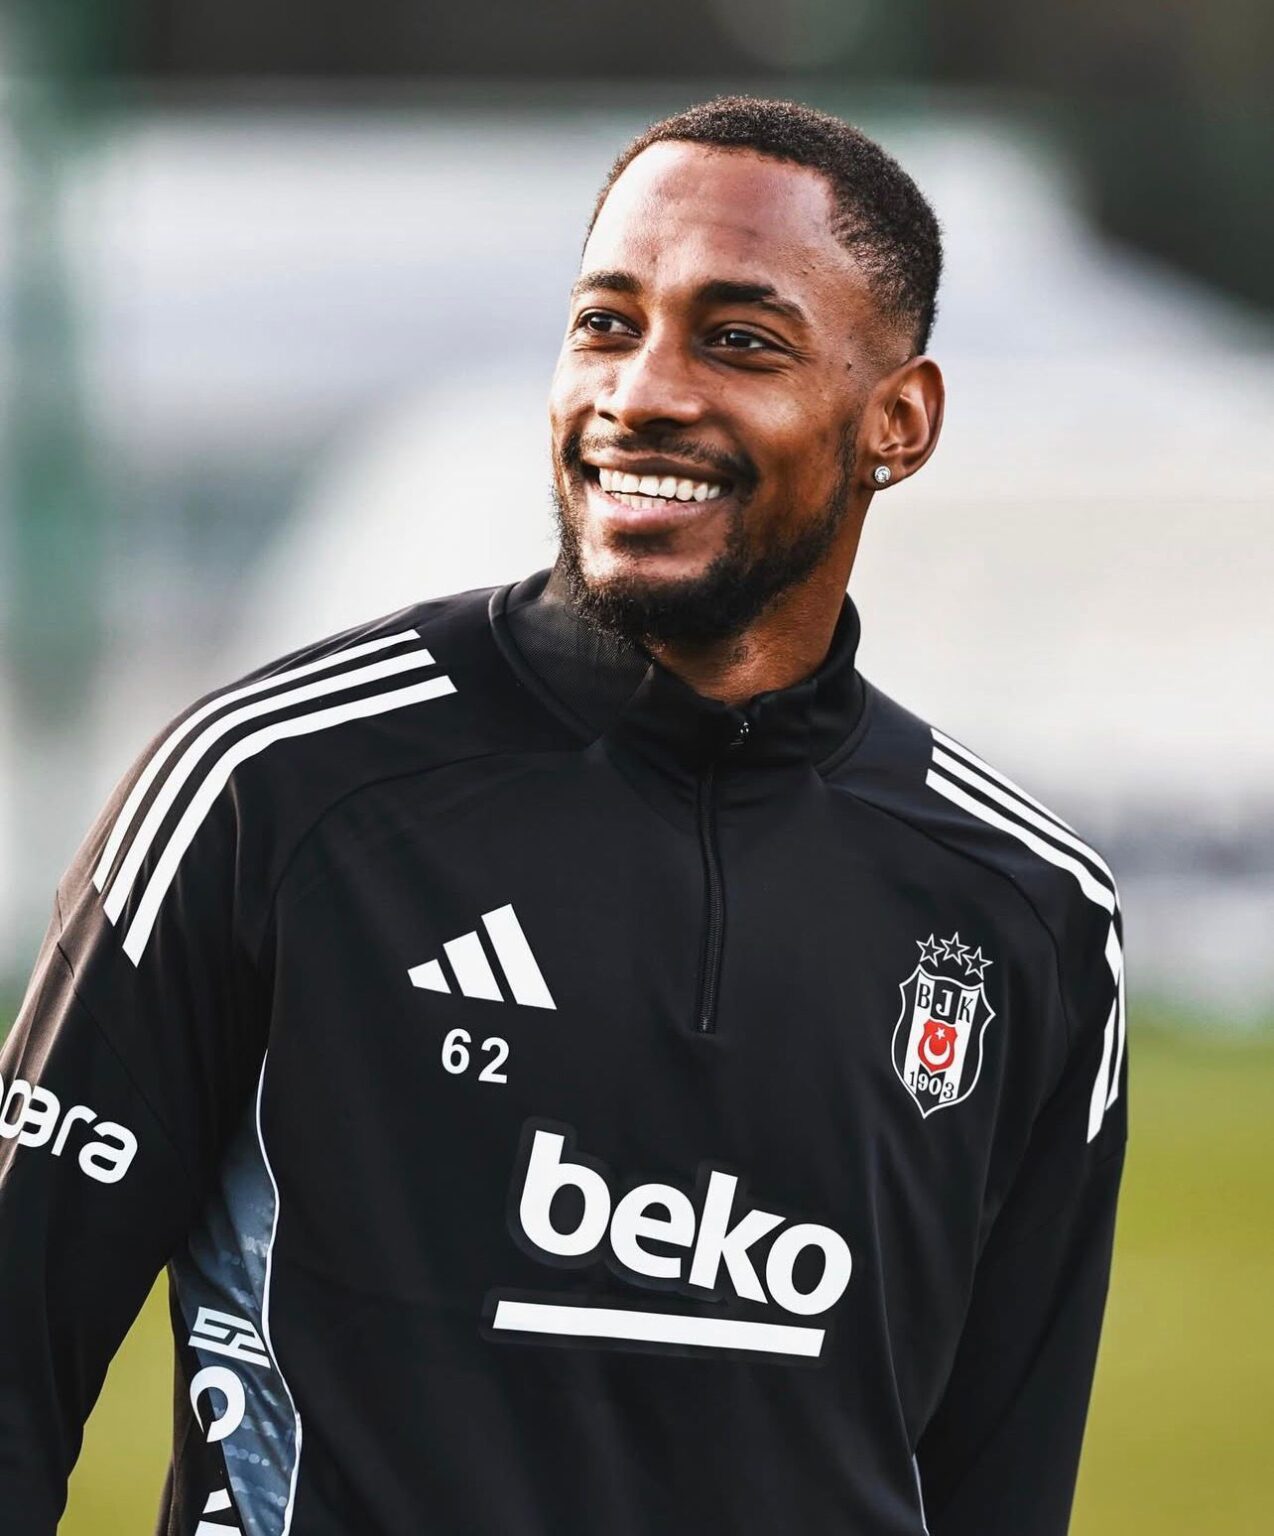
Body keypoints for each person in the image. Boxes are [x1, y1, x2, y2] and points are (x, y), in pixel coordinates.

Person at [0, 96, 1126, 1535]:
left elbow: (999, 1490)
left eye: (739, 340)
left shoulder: (1025, 911)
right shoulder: (270, 788)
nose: (641, 392)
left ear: (895, 423)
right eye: (605, 324)